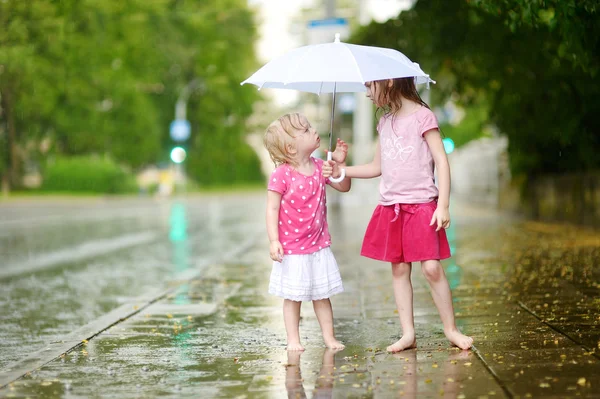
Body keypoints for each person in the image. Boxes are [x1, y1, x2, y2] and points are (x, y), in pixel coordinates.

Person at [323, 78, 473, 352]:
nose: (367, 93)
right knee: (400, 268)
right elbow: (375, 166)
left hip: (422, 204)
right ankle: (408, 333)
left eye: (370, 86)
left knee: (431, 267)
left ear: (389, 82)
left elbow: (441, 160)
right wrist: (341, 171)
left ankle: (451, 329)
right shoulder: (384, 123)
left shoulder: (423, 117)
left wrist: (444, 204)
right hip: (392, 207)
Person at [264, 113, 351, 351]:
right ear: (291, 147)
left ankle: (329, 337)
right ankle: (293, 339)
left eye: (310, 127)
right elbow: (272, 208)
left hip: (318, 245)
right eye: (305, 130)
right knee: (293, 298)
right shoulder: (282, 174)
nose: (313, 130)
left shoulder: (321, 167)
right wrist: (274, 240)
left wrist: (338, 167)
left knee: (322, 295)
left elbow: (344, 187)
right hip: (292, 248)